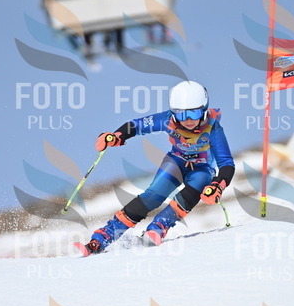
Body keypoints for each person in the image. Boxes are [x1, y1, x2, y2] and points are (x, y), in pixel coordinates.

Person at [77, 80, 235, 255]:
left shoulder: (213, 129)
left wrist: (218, 185)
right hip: (176, 162)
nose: (188, 120)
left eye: (194, 113)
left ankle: (159, 227)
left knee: (197, 186)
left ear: (204, 110)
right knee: (154, 195)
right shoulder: (167, 120)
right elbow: (136, 125)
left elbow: (226, 163)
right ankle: (103, 236)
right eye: (181, 115)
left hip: (202, 169)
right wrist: (117, 136)